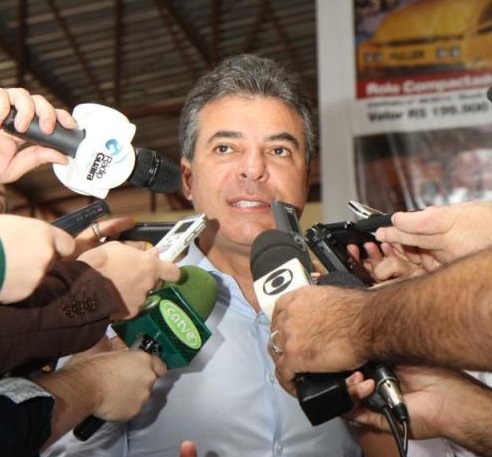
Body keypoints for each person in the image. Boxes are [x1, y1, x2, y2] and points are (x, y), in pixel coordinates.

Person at [48, 54, 379, 456]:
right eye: (225, 148)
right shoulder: (118, 305)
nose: (253, 169)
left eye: (278, 150)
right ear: (188, 179)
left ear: (306, 178)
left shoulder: (355, 302)